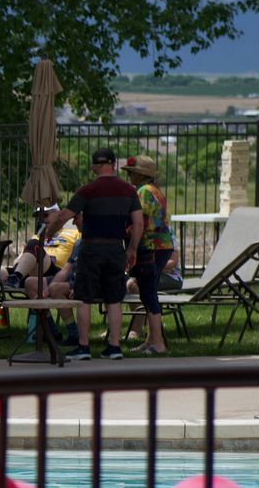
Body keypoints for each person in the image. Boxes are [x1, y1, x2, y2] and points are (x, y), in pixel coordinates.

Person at [44, 147, 143, 360]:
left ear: (94, 167)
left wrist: (48, 234)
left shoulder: (87, 190)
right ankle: (114, 347)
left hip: (91, 248)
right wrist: (132, 248)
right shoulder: (129, 190)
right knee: (114, 299)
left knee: (84, 298)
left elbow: (64, 217)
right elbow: (138, 223)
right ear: (114, 164)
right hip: (116, 248)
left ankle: (83, 347)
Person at [123, 154, 173, 355]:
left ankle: (158, 343)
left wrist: (132, 248)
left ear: (140, 174)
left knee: (149, 294)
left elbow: (139, 223)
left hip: (150, 247)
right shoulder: (155, 191)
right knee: (146, 292)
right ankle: (150, 340)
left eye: (132, 173)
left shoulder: (143, 192)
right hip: (162, 246)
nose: (129, 177)